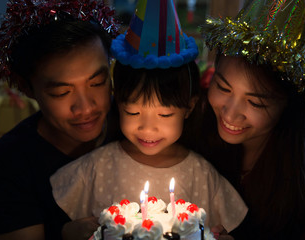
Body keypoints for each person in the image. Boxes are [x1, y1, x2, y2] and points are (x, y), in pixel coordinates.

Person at [50, 0, 248, 239]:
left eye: (164, 114)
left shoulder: (201, 175)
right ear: (118, 103)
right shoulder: (95, 167)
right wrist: (67, 231)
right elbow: (60, 227)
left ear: (189, 107)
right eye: (133, 112)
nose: (147, 128)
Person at [194, 0, 305, 239]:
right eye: (222, 87)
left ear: (289, 105)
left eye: (255, 102)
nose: (230, 113)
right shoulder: (196, 131)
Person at [0, 1, 118, 239]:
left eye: (97, 83)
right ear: (27, 87)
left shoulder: (140, 126)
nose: (86, 108)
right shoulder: (8, 162)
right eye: (61, 93)